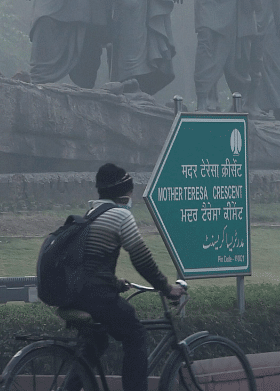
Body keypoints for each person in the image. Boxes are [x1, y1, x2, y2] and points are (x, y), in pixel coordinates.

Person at [74, 163, 184, 391]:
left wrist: (114, 283)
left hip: (77, 292)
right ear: (125, 192)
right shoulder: (120, 216)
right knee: (135, 335)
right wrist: (166, 288)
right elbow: (142, 259)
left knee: (97, 341)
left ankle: (68, 387)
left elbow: (89, 264)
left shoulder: (91, 214)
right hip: (96, 295)